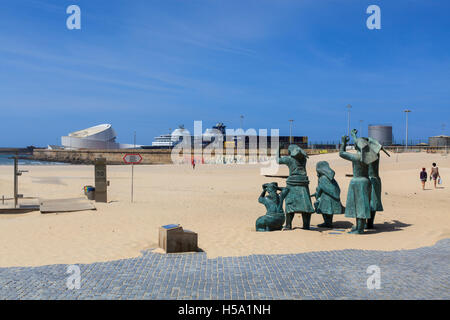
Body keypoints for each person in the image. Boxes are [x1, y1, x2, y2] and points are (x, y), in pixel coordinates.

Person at [276, 145, 315, 230]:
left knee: (290, 205)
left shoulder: (289, 159)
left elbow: (278, 160)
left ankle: (288, 225)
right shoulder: (303, 159)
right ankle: (306, 225)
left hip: (292, 184)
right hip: (303, 183)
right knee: (306, 206)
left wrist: (278, 149)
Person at [310, 161, 344, 228]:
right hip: (332, 197)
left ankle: (327, 223)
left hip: (326, 198)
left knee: (325, 210)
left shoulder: (323, 178)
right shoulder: (329, 178)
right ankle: (329, 222)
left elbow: (320, 188)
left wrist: (317, 195)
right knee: (329, 211)